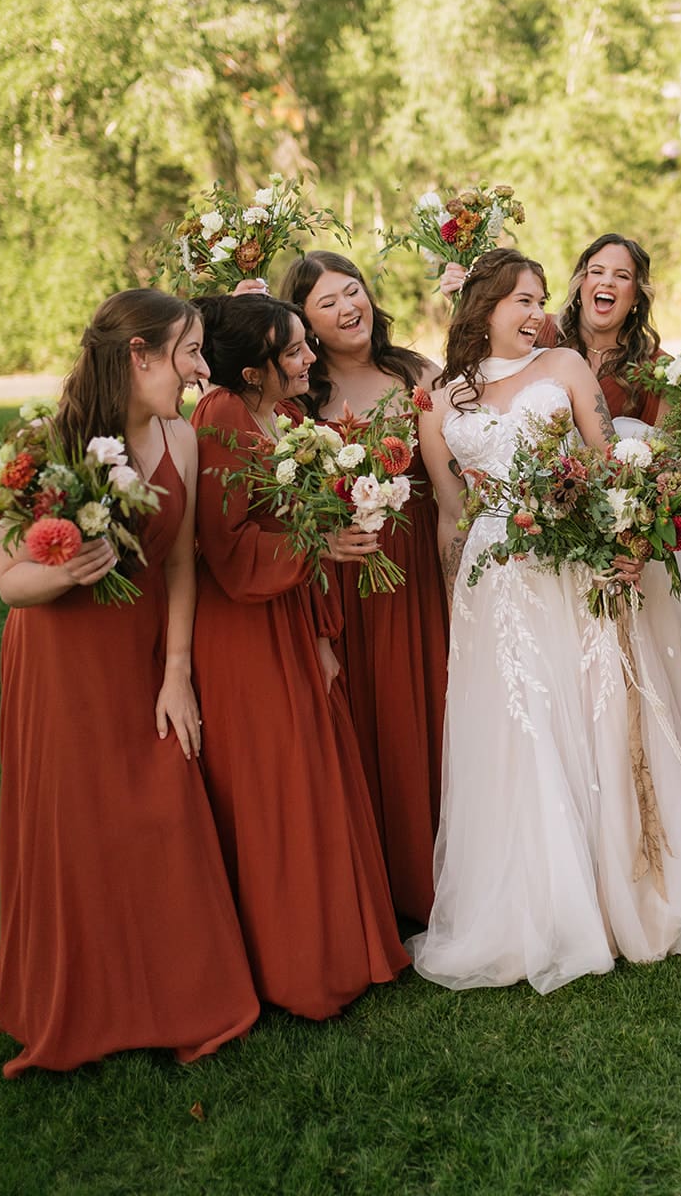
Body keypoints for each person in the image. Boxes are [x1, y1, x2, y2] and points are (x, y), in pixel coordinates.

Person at [410, 249, 681, 993]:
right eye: (519, 301)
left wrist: (625, 545)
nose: (536, 314)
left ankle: (620, 895)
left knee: (588, 715)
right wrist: (453, 591)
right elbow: (448, 508)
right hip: (493, 580)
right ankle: (533, 905)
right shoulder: (438, 397)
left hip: (569, 561)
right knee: (516, 728)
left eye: (538, 300)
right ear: (482, 307)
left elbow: (615, 464)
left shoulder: (564, 369)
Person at [0, 289, 258, 1077]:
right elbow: (11, 583)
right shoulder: (45, 441)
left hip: (144, 654)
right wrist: (66, 569)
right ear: (138, 355)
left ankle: (183, 1001)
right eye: (188, 354)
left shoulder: (182, 436)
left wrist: (178, 674)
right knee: (75, 828)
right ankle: (81, 1007)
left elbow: (180, 564)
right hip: (61, 661)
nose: (200, 369)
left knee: (162, 811)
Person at [191, 294, 408, 1017]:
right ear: (252, 369)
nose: (309, 356)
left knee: (315, 774)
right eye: (292, 350)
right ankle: (291, 967)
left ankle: (339, 946)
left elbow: (305, 518)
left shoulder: (286, 419)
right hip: (241, 629)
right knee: (273, 787)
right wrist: (319, 543)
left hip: (291, 614)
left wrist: (321, 633)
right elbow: (222, 549)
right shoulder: (220, 415)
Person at [280, 251, 449, 925]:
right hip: (349, 567)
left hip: (418, 561)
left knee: (430, 701)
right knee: (367, 711)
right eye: (327, 302)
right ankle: (382, 880)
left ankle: (441, 871)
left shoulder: (416, 372)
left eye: (353, 291)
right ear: (305, 324)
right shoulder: (299, 398)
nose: (348, 307)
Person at [444, 232, 662, 421]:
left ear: (636, 295)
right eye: (596, 271)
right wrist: (463, 300)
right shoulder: (536, 328)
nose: (607, 282)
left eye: (622, 276)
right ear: (581, 283)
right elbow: (480, 372)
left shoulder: (656, 368)